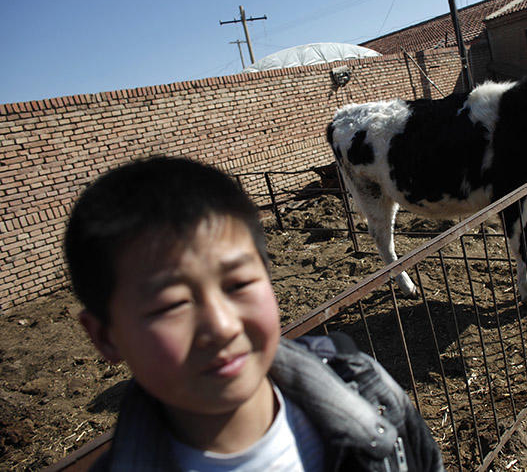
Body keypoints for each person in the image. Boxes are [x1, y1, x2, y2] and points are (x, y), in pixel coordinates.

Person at [65, 156, 444, 471]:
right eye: (170, 305)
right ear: (106, 336)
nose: (222, 326)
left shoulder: (366, 389)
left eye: (238, 285)